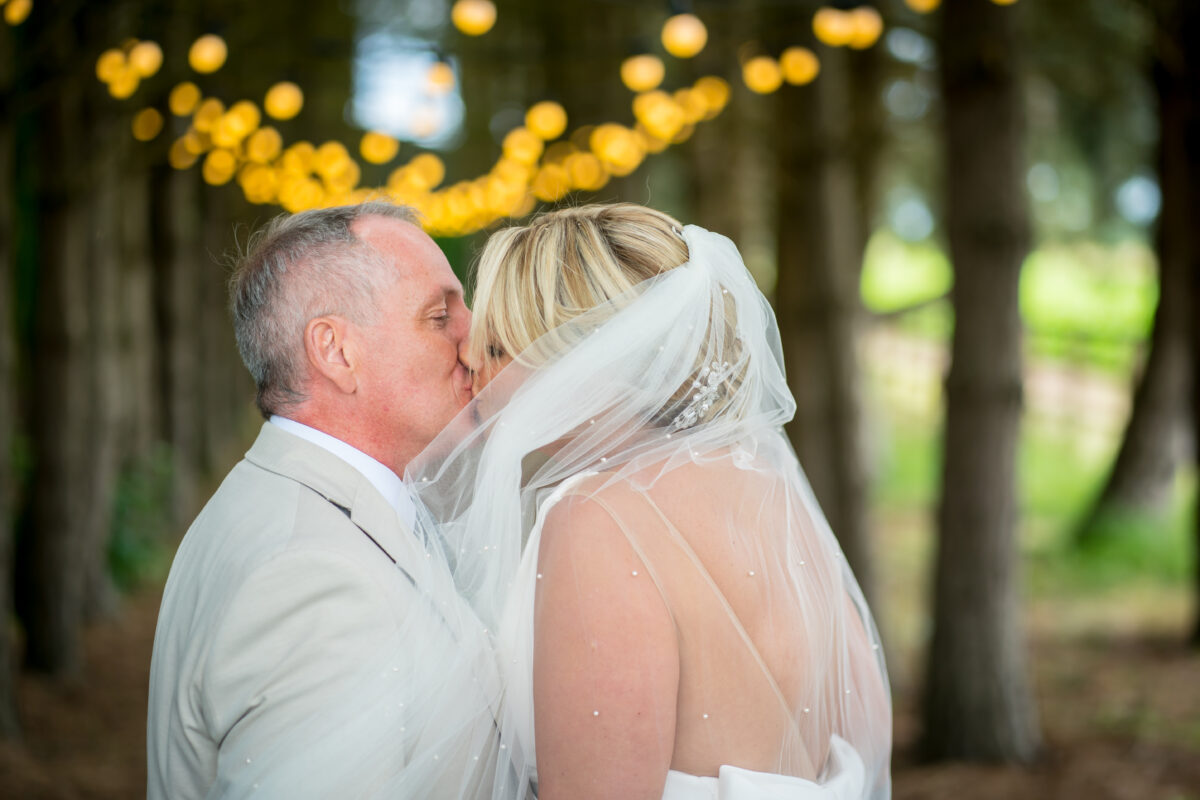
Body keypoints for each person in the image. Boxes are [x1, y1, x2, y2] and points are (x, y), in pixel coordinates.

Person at [408, 203, 893, 800]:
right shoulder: (770, 492)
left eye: (502, 345)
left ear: (590, 360)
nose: (473, 364)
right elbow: (862, 736)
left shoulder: (597, 519)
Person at [147, 202, 500, 799]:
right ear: (336, 352)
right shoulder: (310, 577)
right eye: (440, 316)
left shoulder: (309, 503)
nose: (476, 339)